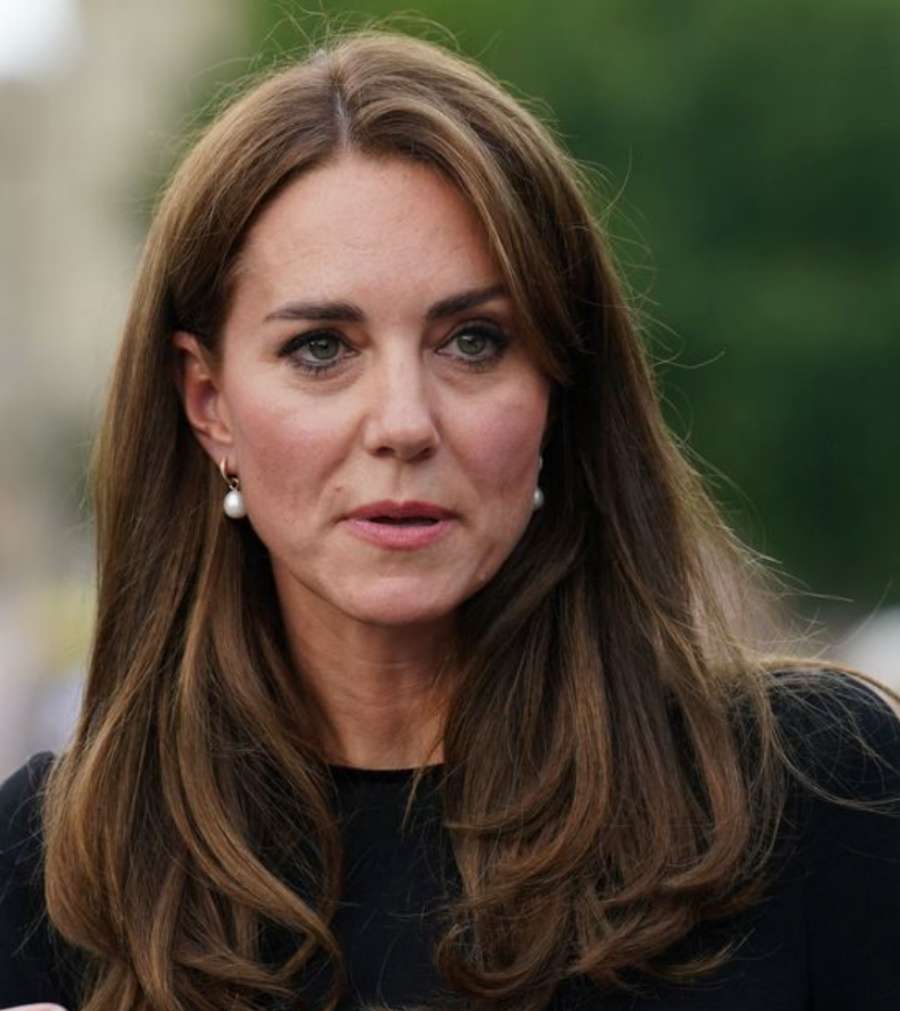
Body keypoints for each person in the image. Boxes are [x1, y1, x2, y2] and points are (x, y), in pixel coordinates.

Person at [2, 27, 899, 1011]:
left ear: (558, 384)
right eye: (320, 348)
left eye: (473, 341)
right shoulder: (60, 873)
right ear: (209, 402)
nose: (403, 422)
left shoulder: (810, 796)